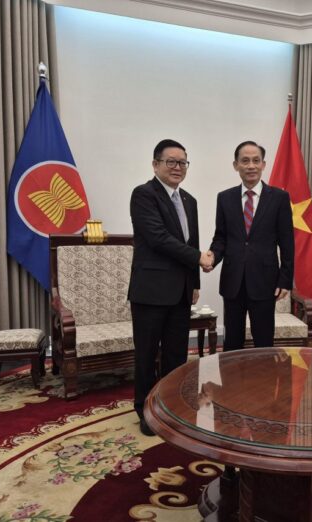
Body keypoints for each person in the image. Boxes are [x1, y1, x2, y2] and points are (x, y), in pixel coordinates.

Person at [128, 138, 213, 435]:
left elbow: (192, 241)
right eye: (171, 162)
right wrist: (199, 257)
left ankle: (171, 406)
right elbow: (158, 238)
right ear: (155, 164)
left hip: (181, 291)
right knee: (147, 354)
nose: (178, 167)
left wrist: (195, 282)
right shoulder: (143, 195)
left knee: (177, 355)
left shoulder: (189, 200)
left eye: (183, 162)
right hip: (151, 291)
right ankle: (145, 410)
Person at [208, 140, 294, 350]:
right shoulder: (224, 198)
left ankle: (263, 373)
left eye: (256, 160)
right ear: (235, 165)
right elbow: (221, 237)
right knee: (232, 342)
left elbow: (287, 242)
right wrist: (212, 257)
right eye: (245, 161)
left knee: (264, 342)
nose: (251, 166)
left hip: (265, 281)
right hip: (233, 281)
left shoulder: (279, 198)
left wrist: (285, 280)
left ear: (263, 164)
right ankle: (232, 373)